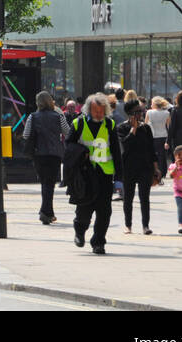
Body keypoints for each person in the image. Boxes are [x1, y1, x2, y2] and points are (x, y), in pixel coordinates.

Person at [65, 93, 123, 254]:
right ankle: (79, 231)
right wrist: (81, 151)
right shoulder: (78, 123)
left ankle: (98, 242)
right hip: (84, 174)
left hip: (104, 173)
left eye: (101, 111)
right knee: (84, 208)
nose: (98, 114)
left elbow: (116, 152)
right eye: (95, 111)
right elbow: (68, 144)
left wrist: (119, 177)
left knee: (104, 211)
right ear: (88, 109)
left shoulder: (110, 125)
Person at [24, 91, 69, 224]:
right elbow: (67, 131)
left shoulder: (33, 116)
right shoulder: (58, 116)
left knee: (45, 183)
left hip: (39, 153)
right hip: (54, 154)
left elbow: (26, 135)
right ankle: (46, 212)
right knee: (50, 184)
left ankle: (46, 212)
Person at [117, 100, 159, 235]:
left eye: (141, 111)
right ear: (129, 114)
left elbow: (151, 149)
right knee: (128, 198)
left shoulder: (146, 128)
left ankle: (145, 226)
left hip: (145, 168)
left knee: (144, 197)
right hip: (128, 168)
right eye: (137, 112)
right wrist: (133, 129)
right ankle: (128, 225)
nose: (140, 114)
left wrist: (156, 168)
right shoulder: (121, 128)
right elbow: (123, 147)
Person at [145, 96, 172, 184]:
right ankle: (162, 173)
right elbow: (169, 127)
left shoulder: (149, 112)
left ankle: (154, 174)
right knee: (162, 156)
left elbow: (146, 125)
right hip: (164, 136)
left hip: (153, 136)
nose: (151, 105)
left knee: (153, 156)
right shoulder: (167, 113)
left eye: (152, 103)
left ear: (155, 104)